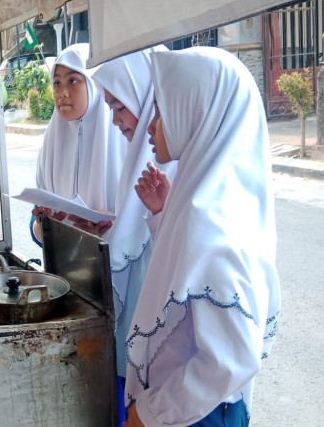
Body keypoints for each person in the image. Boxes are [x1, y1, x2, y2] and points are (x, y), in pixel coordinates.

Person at [124, 47, 281, 427]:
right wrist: (164, 217)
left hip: (195, 413)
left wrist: (150, 413)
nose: (151, 125)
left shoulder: (212, 214)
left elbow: (231, 358)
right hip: (195, 408)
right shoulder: (206, 195)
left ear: (197, 111)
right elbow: (188, 292)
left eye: (161, 111)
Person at [91, 46, 177, 424]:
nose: (115, 120)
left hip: (162, 350)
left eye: (120, 106)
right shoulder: (137, 158)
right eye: (110, 108)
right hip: (132, 337)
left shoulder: (172, 163)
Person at [31, 43, 126, 242]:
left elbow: (143, 228)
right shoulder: (51, 142)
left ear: (93, 83)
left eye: (73, 80)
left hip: (114, 259)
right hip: (65, 259)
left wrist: (110, 226)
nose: (62, 92)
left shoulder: (122, 137)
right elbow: (36, 230)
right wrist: (45, 223)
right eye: (57, 83)